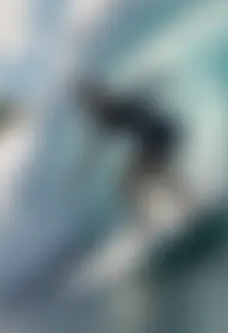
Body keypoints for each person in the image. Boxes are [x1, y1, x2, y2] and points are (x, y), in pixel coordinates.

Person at [75, 78, 191, 231]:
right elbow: (93, 147)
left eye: (90, 99)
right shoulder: (105, 115)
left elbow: (142, 94)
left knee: (137, 178)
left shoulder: (116, 104)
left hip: (160, 133)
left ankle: (154, 222)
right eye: (87, 102)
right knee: (141, 178)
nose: (90, 105)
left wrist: (157, 84)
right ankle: (182, 206)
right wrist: (81, 172)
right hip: (154, 138)